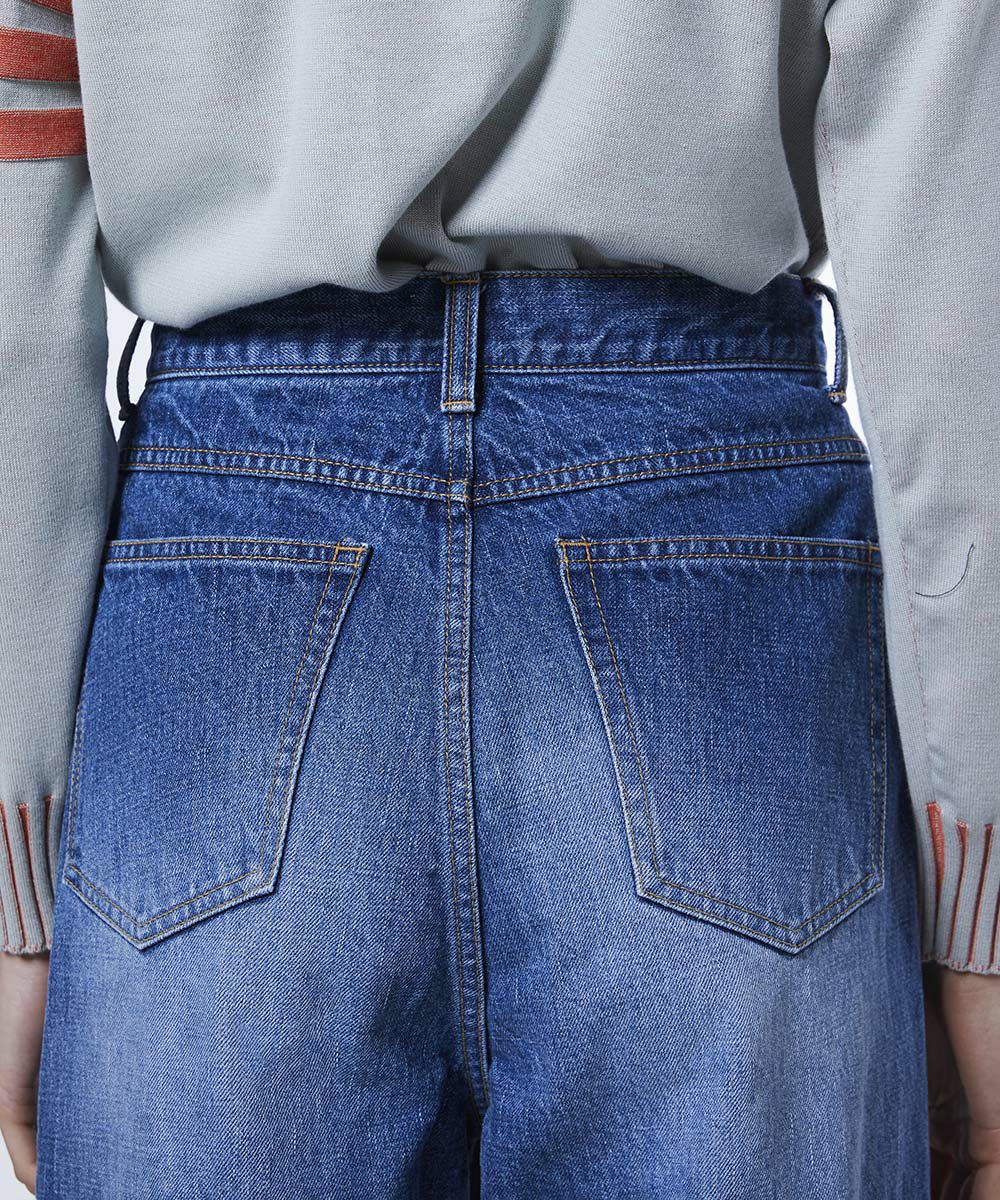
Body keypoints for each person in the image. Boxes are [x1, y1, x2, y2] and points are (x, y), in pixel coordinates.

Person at [0, 0, 998, 1196]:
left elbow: (21, 107)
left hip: (233, 565)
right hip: (713, 548)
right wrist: (979, 906)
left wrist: (18, 870)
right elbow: (947, 165)